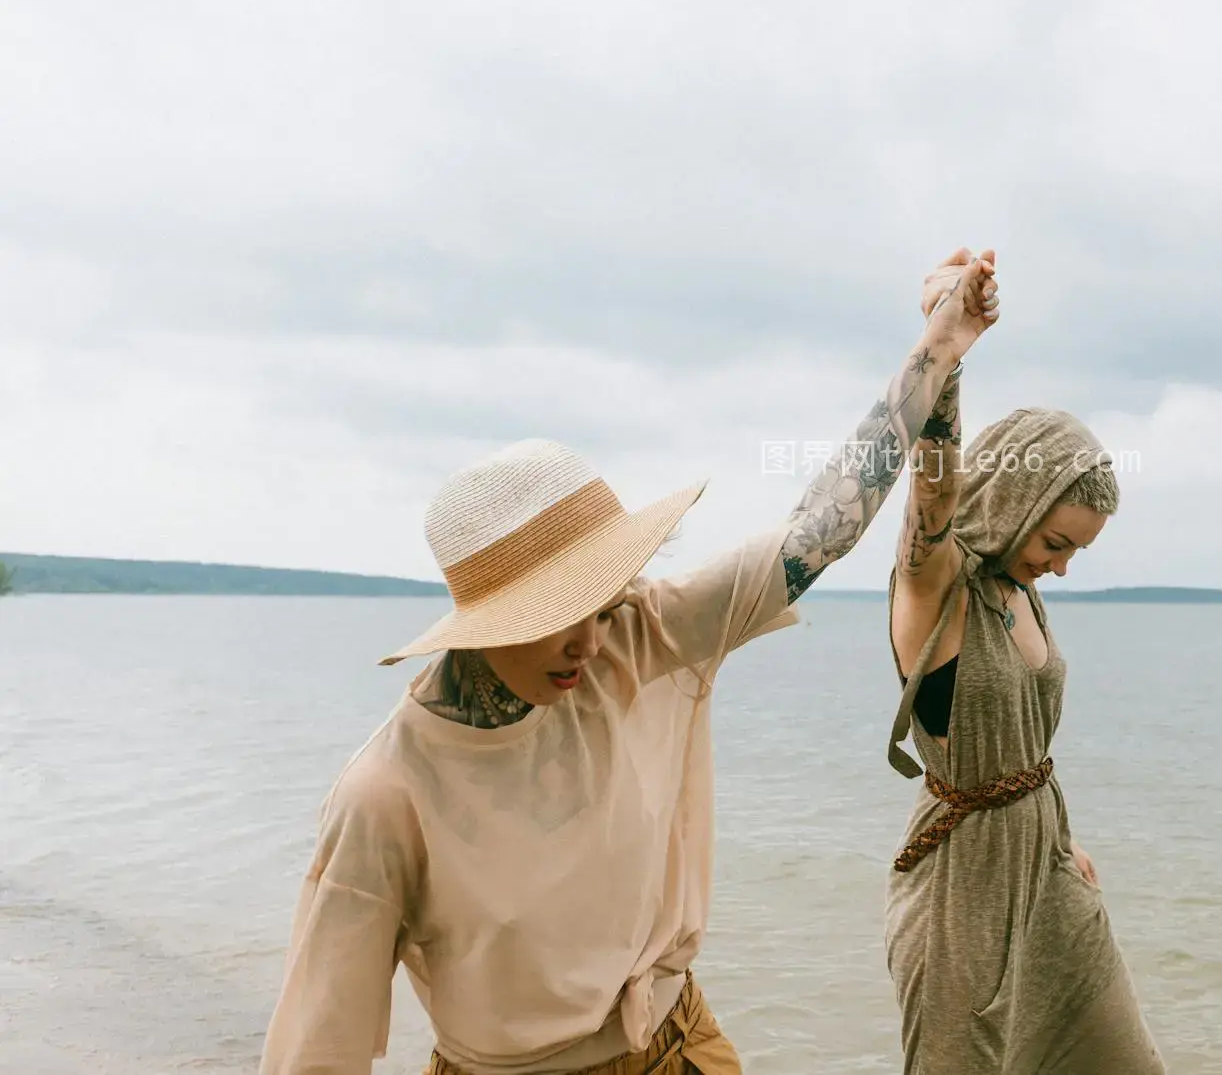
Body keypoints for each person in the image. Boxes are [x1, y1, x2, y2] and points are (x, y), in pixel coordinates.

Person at [258, 251, 999, 1075]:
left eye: (606, 604)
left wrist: (938, 349)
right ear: (486, 621)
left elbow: (818, 531)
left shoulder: (641, 636)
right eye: (562, 618)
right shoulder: (387, 795)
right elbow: (319, 1043)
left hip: (683, 1042)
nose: (593, 641)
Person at [883, 262, 1164, 1074]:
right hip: (961, 896)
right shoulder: (935, 586)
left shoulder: (1018, 588)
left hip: (1047, 871)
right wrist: (947, 347)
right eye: (1057, 543)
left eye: (1077, 550)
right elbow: (932, 490)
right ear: (1015, 501)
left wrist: (1055, 837)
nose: (1064, 567)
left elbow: (1025, 750)